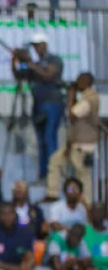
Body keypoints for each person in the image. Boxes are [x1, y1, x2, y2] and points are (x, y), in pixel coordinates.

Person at [12, 32, 63, 178]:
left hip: (52, 103)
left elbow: (48, 75)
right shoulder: (35, 64)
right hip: (38, 105)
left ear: (44, 45)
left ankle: (54, 174)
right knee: (41, 141)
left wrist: (30, 63)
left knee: (50, 138)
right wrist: (14, 59)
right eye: (33, 47)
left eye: (36, 46)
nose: (34, 49)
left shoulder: (54, 60)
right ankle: (43, 173)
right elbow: (18, 75)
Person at [48, 72, 99, 203]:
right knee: (55, 161)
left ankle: (86, 203)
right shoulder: (84, 98)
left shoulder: (90, 98)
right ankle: (52, 193)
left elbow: (72, 115)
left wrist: (71, 97)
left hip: (83, 145)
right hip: (74, 144)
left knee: (83, 175)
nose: (77, 83)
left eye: (79, 81)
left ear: (85, 82)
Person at [84, 202, 108, 270]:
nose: (98, 215)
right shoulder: (85, 231)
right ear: (90, 214)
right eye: (95, 212)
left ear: (106, 214)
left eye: (101, 212)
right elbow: (94, 258)